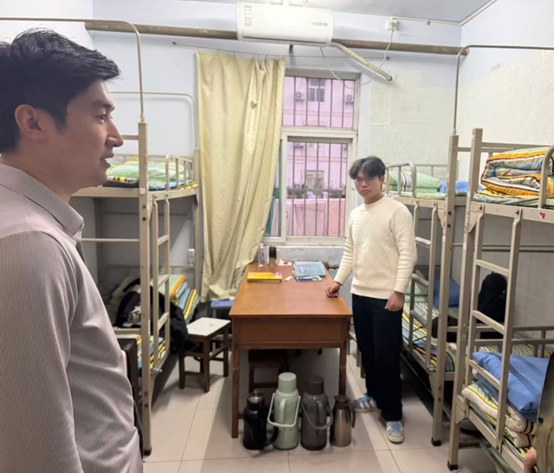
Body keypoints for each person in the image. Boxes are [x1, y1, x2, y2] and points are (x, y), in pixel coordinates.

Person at [0, 30, 142, 472]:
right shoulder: (28, 244)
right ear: (34, 123)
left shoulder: (33, 225)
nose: (116, 137)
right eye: (100, 116)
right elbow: (35, 455)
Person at [327, 156, 416, 444]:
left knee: (387, 357)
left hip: (386, 298)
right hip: (360, 294)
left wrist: (399, 291)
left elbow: (408, 254)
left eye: (369, 178)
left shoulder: (397, 211)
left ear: (382, 179)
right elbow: (350, 252)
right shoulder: (356, 214)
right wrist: (338, 281)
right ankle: (374, 395)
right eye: (359, 179)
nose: (363, 184)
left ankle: (393, 415)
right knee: (368, 352)